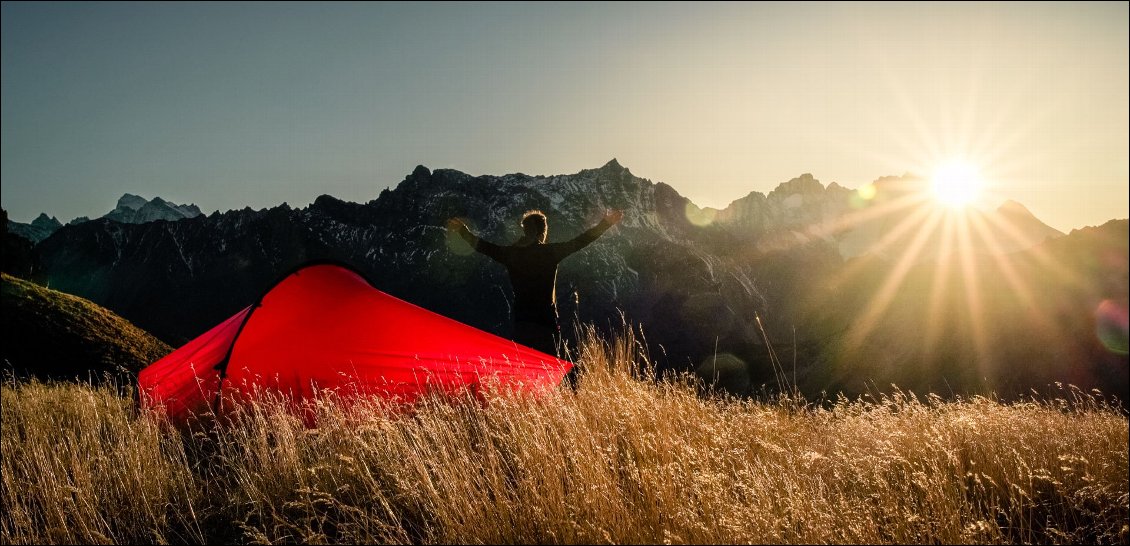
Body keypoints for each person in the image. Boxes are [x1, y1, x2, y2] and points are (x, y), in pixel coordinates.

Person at [446, 209, 623, 386]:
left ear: (525, 230)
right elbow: (581, 241)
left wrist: (463, 231)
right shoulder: (550, 252)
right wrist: (606, 223)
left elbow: (483, 246)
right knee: (551, 373)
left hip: (522, 323)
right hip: (547, 323)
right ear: (543, 231)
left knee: (521, 374)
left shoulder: (511, 255)